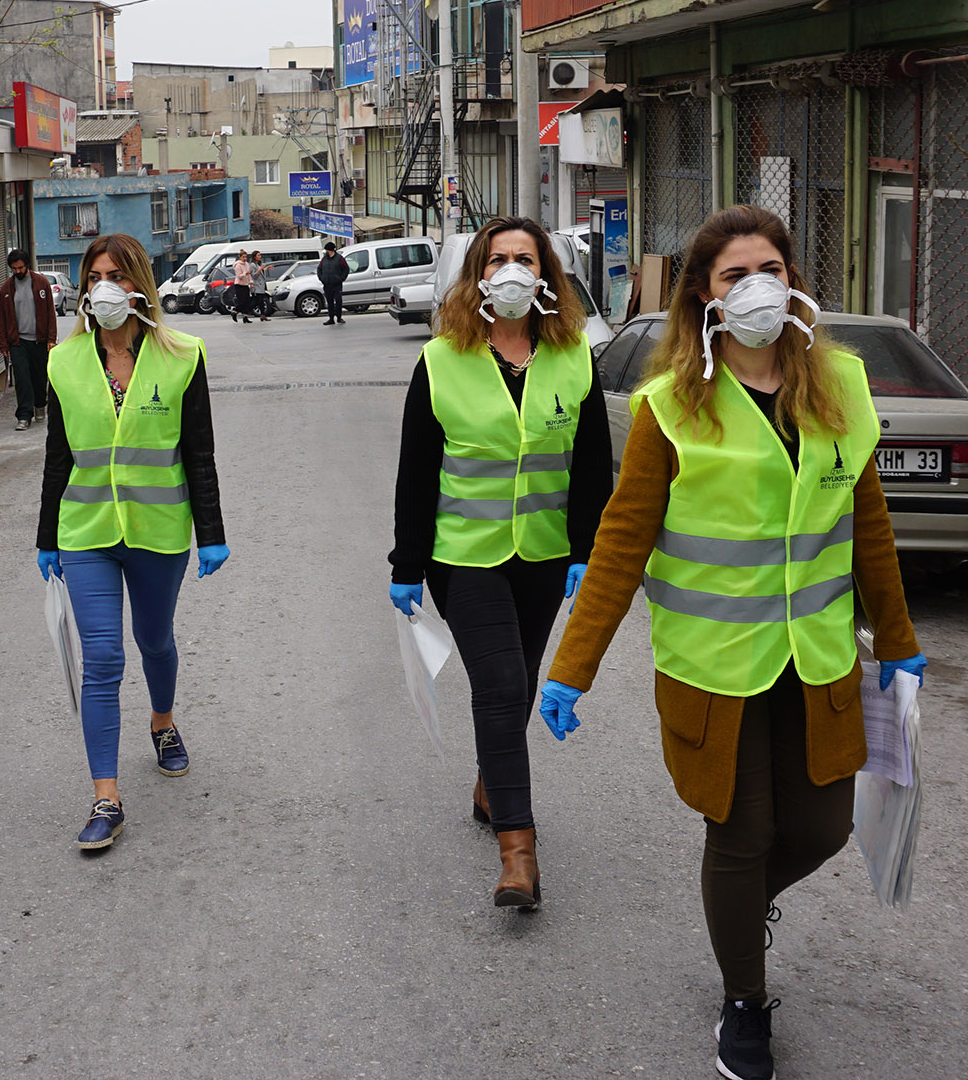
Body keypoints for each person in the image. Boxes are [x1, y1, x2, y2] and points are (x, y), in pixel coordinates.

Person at [537, 205, 923, 1080]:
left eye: (773, 270)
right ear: (704, 299)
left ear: (795, 281)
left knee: (823, 827)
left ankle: (736, 913)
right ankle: (745, 1000)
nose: (759, 289)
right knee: (742, 833)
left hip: (817, 660)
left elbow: (868, 523)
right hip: (714, 671)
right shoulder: (669, 407)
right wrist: (572, 667)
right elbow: (620, 543)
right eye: (735, 276)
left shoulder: (843, 386)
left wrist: (897, 638)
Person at [388, 218, 611, 912]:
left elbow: (592, 469)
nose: (512, 270)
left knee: (510, 696)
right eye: (498, 259)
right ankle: (519, 852)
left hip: (543, 555)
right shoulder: (440, 360)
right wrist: (406, 562)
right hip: (463, 556)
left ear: (547, 275)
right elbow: (417, 473)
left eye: (525, 258)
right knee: (503, 681)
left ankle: (492, 783)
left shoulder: (576, 356)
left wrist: (587, 551)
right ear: (477, 274)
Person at [36, 233, 229, 850]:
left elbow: (199, 452)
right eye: (94, 277)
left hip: (157, 531)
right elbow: (57, 456)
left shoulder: (181, 356)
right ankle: (106, 797)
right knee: (104, 660)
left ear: (141, 283)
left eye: (117, 276)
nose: (105, 288)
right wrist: (46, 537)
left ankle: (163, 724)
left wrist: (212, 535)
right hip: (86, 533)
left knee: (154, 641)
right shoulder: (62, 362)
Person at [1, 248, 57, 430]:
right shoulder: (6, 289)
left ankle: (40, 404)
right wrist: (4, 343)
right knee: (22, 378)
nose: (17, 271)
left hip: (40, 340)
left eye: (20, 268)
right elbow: (3, 318)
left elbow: (50, 312)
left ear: (27, 266)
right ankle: (24, 416)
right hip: (18, 342)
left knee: (39, 377)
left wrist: (51, 338)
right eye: (14, 269)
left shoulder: (41, 283)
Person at [317, 240, 350, 325]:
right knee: (329, 302)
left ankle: (339, 318)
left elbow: (346, 269)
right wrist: (321, 278)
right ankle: (331, 318)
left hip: (336, 284)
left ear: (330, 250)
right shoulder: (324, 259)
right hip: (327, 284)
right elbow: (319, 269)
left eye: (326, 250)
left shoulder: (339, 258)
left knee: (338, 301)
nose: (326, 252)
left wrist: (341, 278)